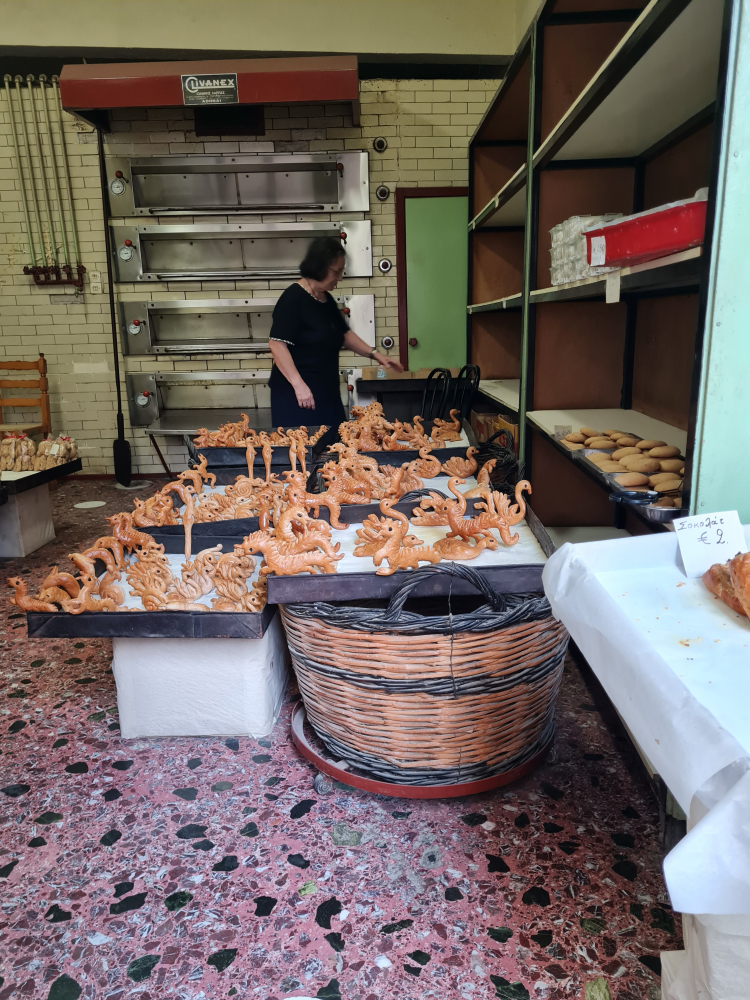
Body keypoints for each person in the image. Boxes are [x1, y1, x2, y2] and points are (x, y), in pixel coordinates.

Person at [268, 237, 402, 433]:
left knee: (336, 440)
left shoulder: (326, 300)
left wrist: (376, 354)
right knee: (305, 446)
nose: (340, 278)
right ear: (320, 267)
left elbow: (344, 334)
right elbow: (277, 344)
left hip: (326, 392)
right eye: (337, 272)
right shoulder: (292, 299)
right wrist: (299, 386)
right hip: (298, 397)